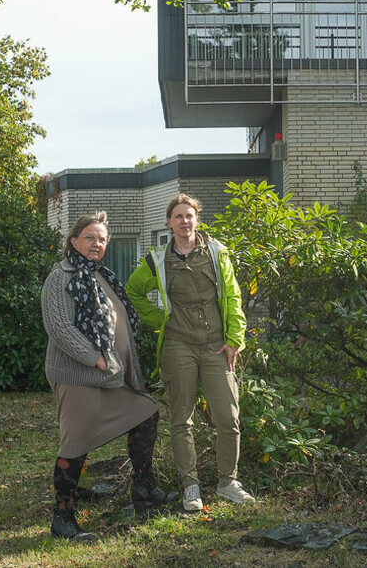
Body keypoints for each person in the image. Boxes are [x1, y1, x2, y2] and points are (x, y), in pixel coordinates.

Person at [41, 211, 172, 541]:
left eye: (102, 239)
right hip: (77, 375)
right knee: (76, 444)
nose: (96, 243)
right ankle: (62, 518)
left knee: (146, 413)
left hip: (110, 376)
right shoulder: (61, 276)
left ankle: (143, 489)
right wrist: (96, 358)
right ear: (74, 241)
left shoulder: (101, 275)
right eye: (90, 237)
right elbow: (59, 327)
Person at [126, 193, 255, 511]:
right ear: (169, 222)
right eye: (178, 216)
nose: (185, 221)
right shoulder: (158, 259)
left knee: (228, 417)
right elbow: (133, 291)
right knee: (181, 420)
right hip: (177, 345)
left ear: (197, 219)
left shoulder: (216, 252)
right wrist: (161, 319)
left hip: (216, 345)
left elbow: (233, 295)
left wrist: (235, 338)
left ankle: (228, 483)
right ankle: (191, 487)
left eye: (189, 215)